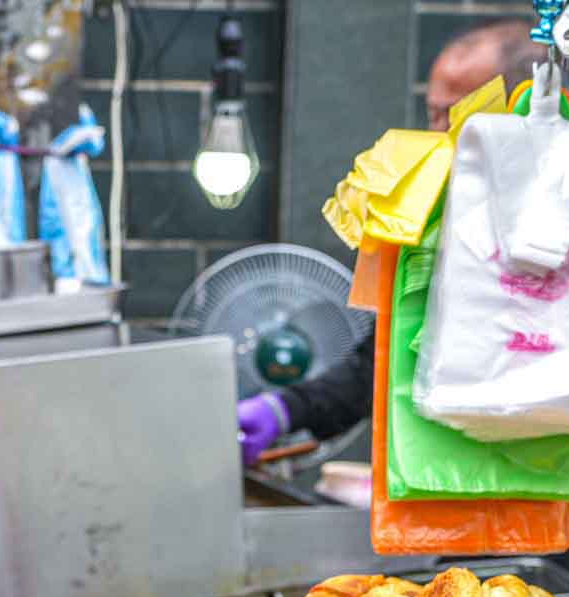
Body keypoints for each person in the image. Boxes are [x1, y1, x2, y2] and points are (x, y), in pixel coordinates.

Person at [234, 20, 552, 468]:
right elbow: (383, 363)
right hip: (443, 493)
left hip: (541, 489)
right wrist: (286, 409)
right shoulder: (430, 226)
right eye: (433, 113)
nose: (440, 133)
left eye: (456, 115)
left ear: (518, 109)